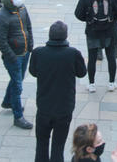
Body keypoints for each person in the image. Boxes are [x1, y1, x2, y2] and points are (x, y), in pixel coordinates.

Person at [29, 21, 87, 162]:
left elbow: (33, 71)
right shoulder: (73, 54)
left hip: (44, 107)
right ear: (65, 36)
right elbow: (82, 73)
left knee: (41, 144)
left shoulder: (38, 52)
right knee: (58, 146)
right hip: (64, 108)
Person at [74, 0, 117, 93]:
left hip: (92, 30)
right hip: (109, 30)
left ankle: (92, 84)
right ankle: (111, 82)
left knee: (92, 58)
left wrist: (88, 19)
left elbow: (78, 14)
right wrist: (112, 19)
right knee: (111, 56)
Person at [0, 0, 34, 129]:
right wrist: (11, 56)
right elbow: (1, 42)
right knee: (18, 85)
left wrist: (30, 45)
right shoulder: (1, 17)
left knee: (18, 79)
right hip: (14, 56)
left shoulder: (22, 9)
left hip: (25, 52)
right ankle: (18, 116)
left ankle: (8, 101)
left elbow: (28, 26)